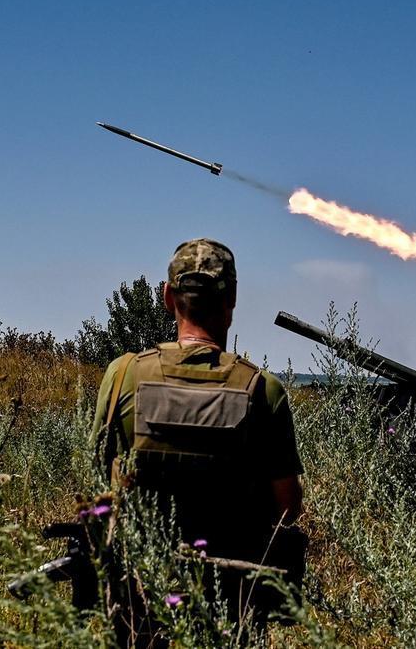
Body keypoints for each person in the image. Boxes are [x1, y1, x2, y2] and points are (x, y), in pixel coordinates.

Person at [93, 238, 304, 643]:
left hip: (141, 590)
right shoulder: (263, 391)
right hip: (231, 600)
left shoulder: (123, 376)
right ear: (234, 298)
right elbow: (287, 509)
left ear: (167, 296)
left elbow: (101, 475)